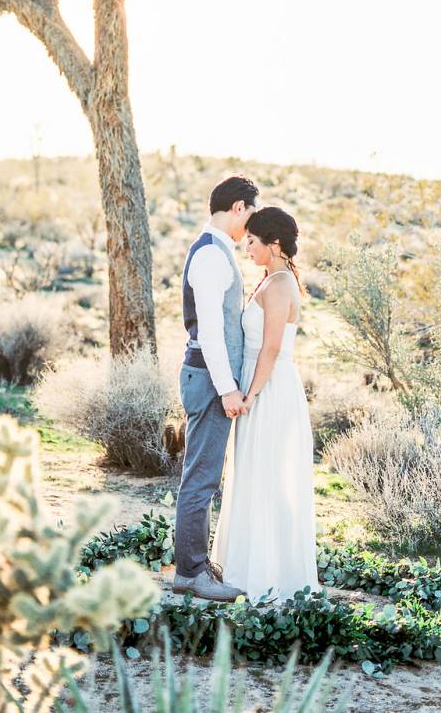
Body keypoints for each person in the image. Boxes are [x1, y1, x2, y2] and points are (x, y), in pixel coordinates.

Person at [212, 206, 319, 603]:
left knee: (267, 477)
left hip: (270, 392)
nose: (248, 249)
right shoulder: (272, 278)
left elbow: (271, 348)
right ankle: (244, 566)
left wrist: (250, 395)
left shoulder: (279, 285)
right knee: (254, 476)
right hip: (260, 386)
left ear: (274, 243)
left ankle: (270, 575)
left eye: (253, 242)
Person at [172, 175, 259, 601]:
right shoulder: (210, 256)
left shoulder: (217, 251)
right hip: (208, 378)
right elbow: (210, 331)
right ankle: (190, 573)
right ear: (238, 207)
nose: (250, 227)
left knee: (203, 475)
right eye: (250, 215)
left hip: (208, 377)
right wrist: (227, 388)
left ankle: (195, 565)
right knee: (201, 478)